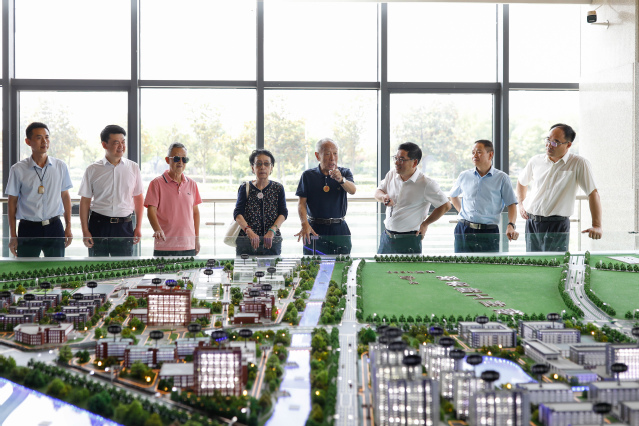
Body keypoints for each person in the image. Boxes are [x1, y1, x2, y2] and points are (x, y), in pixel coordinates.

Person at [517, 123, 602, 252]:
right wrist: (521, 204)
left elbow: (593, 193)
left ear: (568, 145)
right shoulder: (535, 161)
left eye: (555, 142)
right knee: (533, 262)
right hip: (532, 223)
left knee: (555, 262)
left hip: (557, 225)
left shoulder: (579, 163)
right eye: (548, 140)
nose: (549, 145)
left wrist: (597, 225)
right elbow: (521, 181)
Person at [6, 122, 73, 257]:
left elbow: (65, 197)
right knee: (27, 268)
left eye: (47, 137)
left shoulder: (60, 166)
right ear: (28, 141)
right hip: (28, 229)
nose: (44, 141)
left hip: (54, 227)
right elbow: (12, 202)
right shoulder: (18, 169)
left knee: (56, 268)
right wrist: (13, 235)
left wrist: (68, 227)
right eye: (39, 137)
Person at [78, 125, 144, 257]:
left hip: (124, 227)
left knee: (123, 267)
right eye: (116, 142)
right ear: (104, 144)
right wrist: (85, 230)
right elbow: (85, 201)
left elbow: (138, 198)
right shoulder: (92, 169)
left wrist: (138, 227)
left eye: (123, 142)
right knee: (97, 267)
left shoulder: (133, 168)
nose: (121, 146)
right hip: (98, 225)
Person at [375, 142, 451, 254]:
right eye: (396, 158)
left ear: (414, 162)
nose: (396, 162)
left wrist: (425, 224)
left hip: (409, 240)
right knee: (380, 266)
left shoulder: (426, 183)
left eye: (401, 159)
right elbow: (378, 191)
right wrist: (383, 197)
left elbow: (445, 206)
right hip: (386, 237)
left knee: (410, 267)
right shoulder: (391, 174)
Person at [449, 140, 519, 252]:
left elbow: (511, 204)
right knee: (461, 263)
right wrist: (463, 212)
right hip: (463, 230)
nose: (474, 155)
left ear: (490, 154)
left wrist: (511, 225)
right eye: (473, 152)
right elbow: (453, 195)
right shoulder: (464, 175)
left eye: (479, 152)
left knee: (487, 263)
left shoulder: (502, 178)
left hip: (488, 232)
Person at [295, 138, 356, 255]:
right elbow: (301, 203)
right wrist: (304, 224)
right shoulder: (308, 175)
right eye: (327, 154)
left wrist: (341, 179)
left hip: (339, 228)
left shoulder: (344, 173)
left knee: (342, 263)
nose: (332, 158)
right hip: (314, 227)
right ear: (317, 156)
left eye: (335, 153)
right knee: (312, 263)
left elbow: (352, 190)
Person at [145, 142, 202, 256]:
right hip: (164, 245)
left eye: (184, 159)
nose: (180, 162)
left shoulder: (192, 184)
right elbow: (151, 210)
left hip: (188, 245)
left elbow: (195, 212)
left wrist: (196, 239)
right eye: (176, 158)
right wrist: (157, 229)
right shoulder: (156, 183)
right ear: (167, 160)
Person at [233, 149, 287, 256]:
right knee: (246, 267)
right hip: (246, 242)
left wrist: (272, 231)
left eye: (266, 164)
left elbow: (283, 213)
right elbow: (238, 213)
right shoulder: (245, 188)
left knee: (272, 266)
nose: (262, 167)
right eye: (258, 164)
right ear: (253, 168)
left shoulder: (278, 188)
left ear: (271, 167)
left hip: (272, 241)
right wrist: (249, 232)